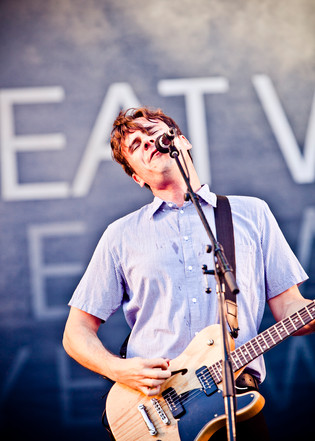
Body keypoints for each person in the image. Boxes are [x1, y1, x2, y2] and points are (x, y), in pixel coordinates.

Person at [63, 107, 314, 440]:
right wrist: (118, 369)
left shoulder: (252, 213)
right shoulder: (120, 236)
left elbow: (290, 310)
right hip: (156, 409)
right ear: (137, 177)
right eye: (135, 145)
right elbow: (75, 331)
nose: (148, 142)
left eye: (153, 132)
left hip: (238, 399)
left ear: (181, 140)